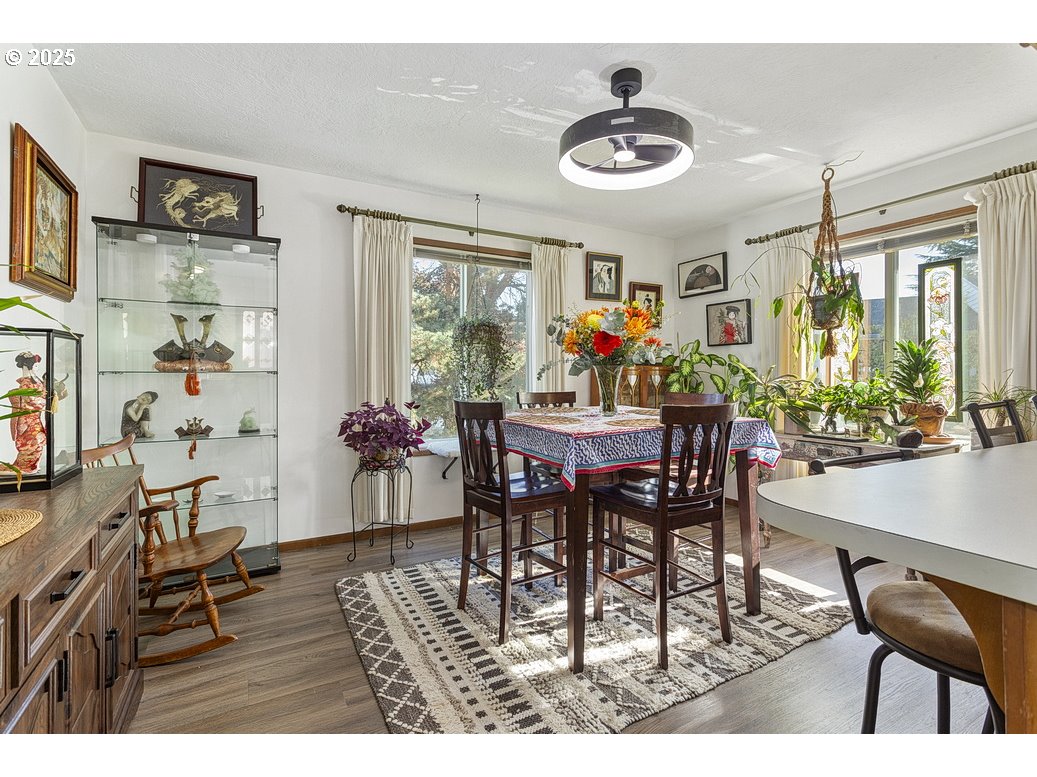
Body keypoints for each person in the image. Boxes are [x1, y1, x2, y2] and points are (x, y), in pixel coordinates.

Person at [10, 352, 47, 473]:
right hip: (28, 418)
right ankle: (28, 467)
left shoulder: (34, 381)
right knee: (33, 441)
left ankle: (33, 465)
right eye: (35, 366)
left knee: (38, 440)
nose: (37, 368)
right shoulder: (26, 383)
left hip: (35, 417)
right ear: (27, 366)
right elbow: (32, 400)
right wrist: (44, 399)